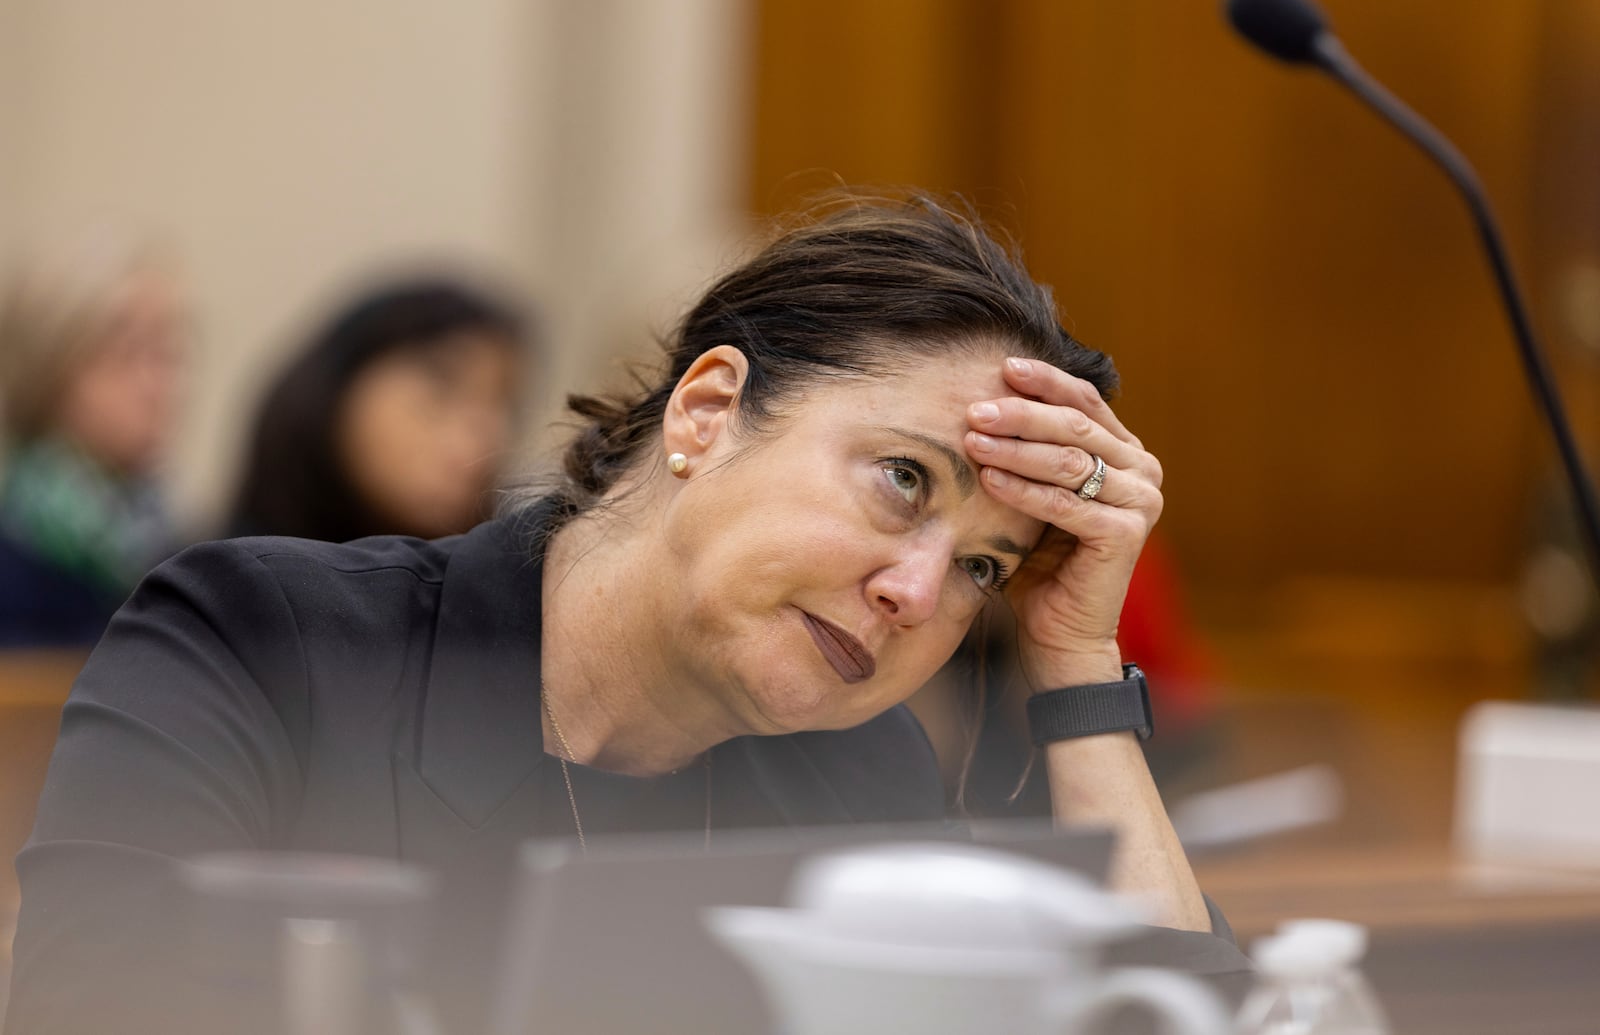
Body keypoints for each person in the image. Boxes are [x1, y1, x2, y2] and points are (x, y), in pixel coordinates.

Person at [5, 194, 1246, 1034]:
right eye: (901, 479)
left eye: (983, 566)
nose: (917, 594)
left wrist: (1076, 655)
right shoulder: (259, 646)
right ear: (705, 412)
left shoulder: (857, 771)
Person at [226, 278, 530, 543]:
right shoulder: (204, 590)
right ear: (342, 384)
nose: (482, 439)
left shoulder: (503, 595)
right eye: (443, 387)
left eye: (502, 403)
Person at [0, 230, 186, 647]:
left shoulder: (186, 558)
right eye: (129, 352)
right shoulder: (13, 568)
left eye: (170, 353)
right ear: (46, 366)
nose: (161, 386)